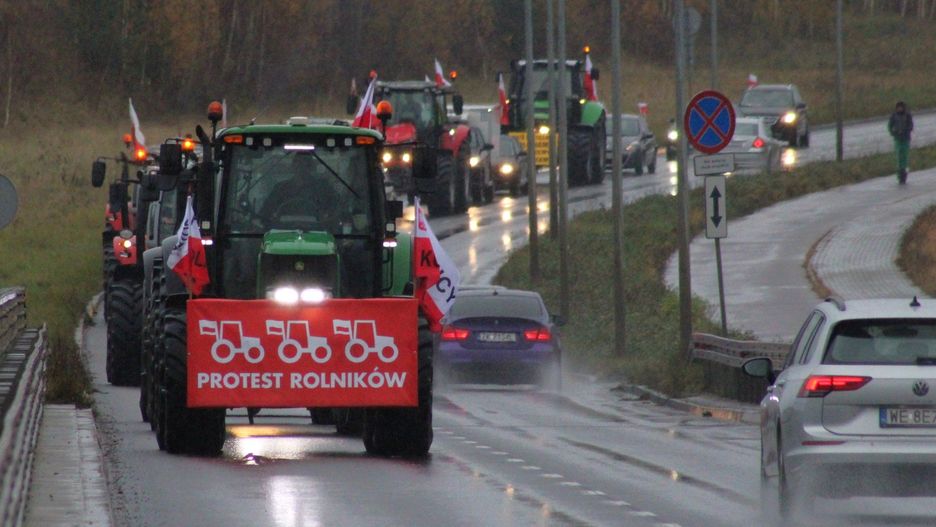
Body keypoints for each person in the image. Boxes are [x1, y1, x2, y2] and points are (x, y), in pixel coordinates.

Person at [888, 101, 913, 184]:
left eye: (901, 107)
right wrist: (893, 133)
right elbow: (890, 126)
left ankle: (904, 173)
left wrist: (906, 131)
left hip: (905, 139)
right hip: (897, 139)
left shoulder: (907, 115)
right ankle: (899, 174)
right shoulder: (893, 116)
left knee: (904, 158)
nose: (900, 109)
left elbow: (911, 126)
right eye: (898, 107)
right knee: (899, 157)